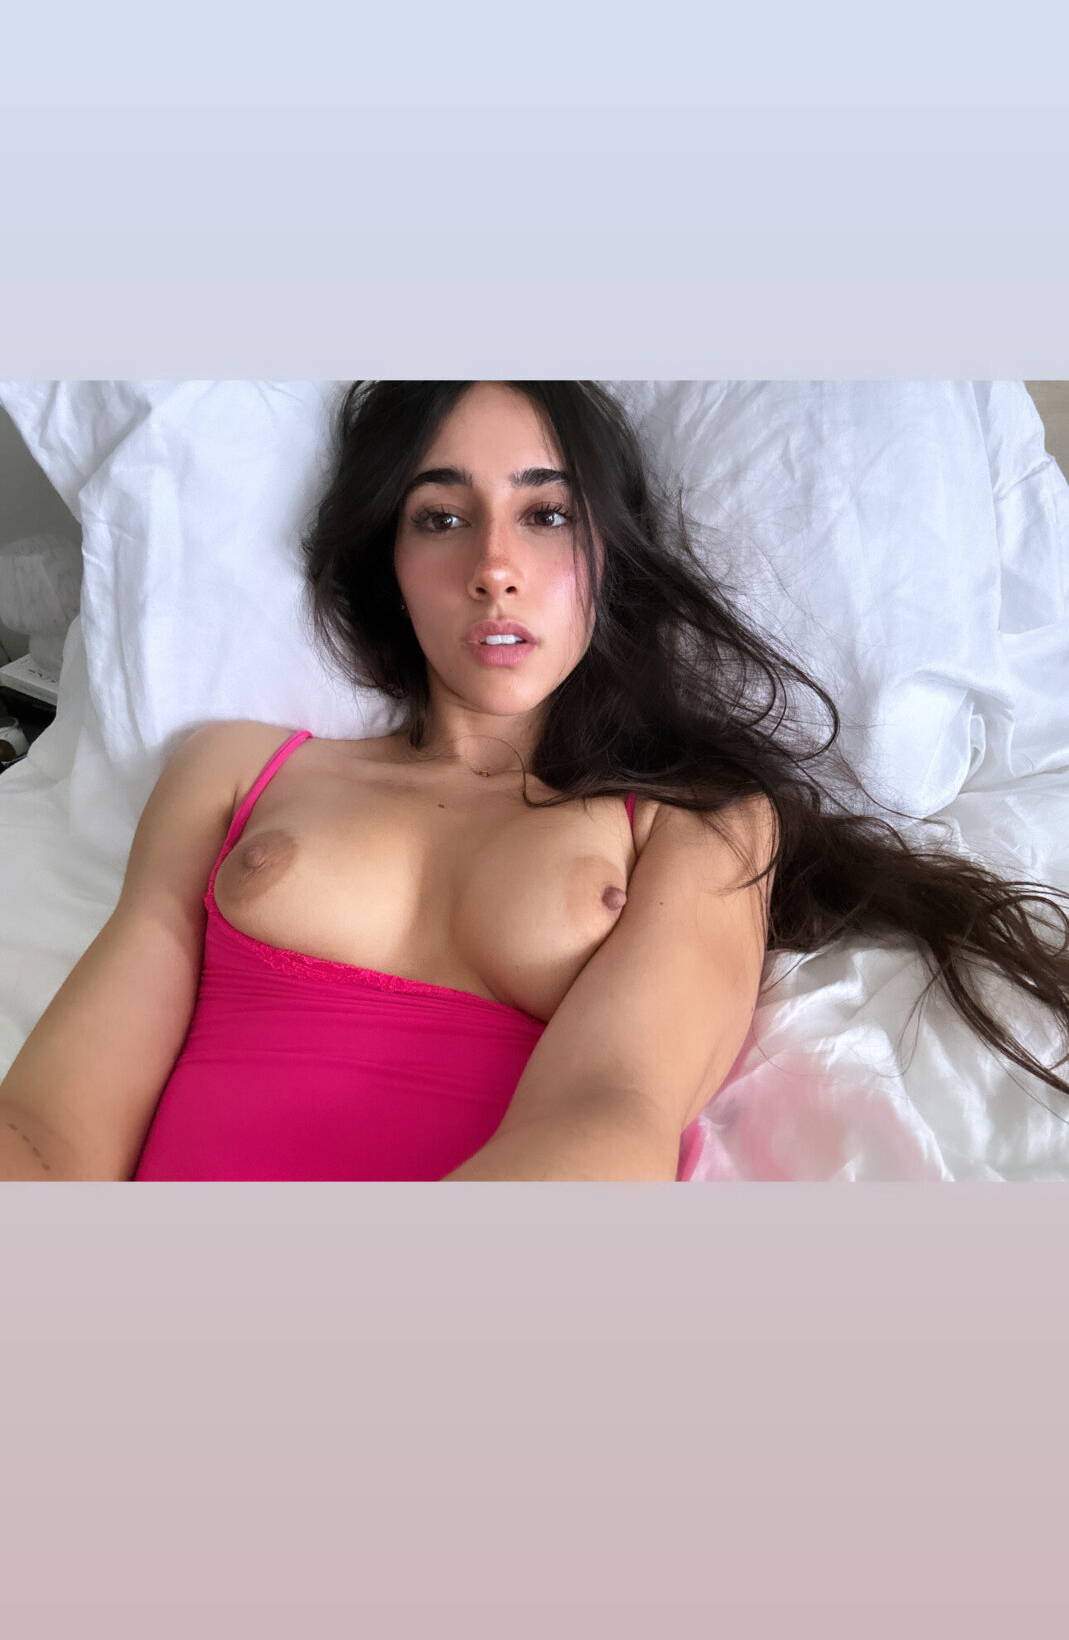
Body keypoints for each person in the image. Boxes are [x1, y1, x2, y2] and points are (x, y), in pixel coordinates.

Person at [1, 381, 1067, 1182]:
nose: (494, 568)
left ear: (609, 558)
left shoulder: (699, 825)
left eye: (546, 514)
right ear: (390, 564)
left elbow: (610, 1112)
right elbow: (52, 1126)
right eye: (441, 516)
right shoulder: (233, 767)